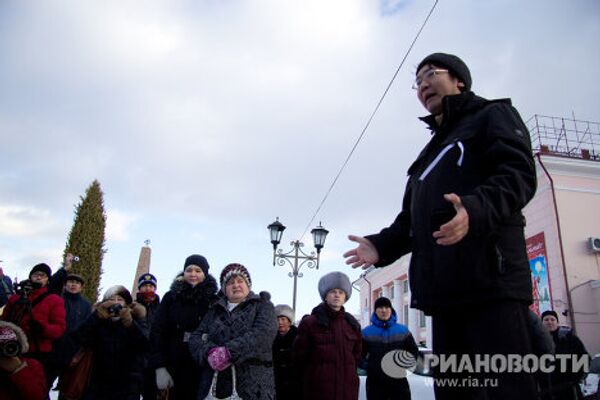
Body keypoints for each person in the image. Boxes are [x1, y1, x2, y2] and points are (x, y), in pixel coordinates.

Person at [344, 52, 538, 399]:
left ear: (459, 79)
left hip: (491, 284)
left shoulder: (491, 115)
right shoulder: (427, 155)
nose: (422, 86)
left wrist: (474, 210)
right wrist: (380, 245)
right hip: (444, 295)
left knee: (504, 391)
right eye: (417, 83)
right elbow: (410, 221)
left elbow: (518, 174)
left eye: (430, 74)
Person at [189, 263, 277, 400]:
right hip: (215, 386)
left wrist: (228, 352)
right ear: (224, 289)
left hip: (252, 387)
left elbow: (263, 334)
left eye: (240, 281)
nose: (236, 285)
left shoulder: (263, 306)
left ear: (248, 285)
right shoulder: (214, 310)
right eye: (230, 283)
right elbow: (196, 338)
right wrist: (209, 353)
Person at [149, 254, 218, 400]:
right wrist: (159, 367)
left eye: (198, 271)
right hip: (173, 362)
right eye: (189, 270)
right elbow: (157, 331)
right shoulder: (171, 297)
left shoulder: (214, 300)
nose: (193, 274)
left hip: (202, 363)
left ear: (205, 274)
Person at [293, 271, 362, 400]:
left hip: (347, 391)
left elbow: (357, 356)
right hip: (318, 391)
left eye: (341, 292)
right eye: (333, 292)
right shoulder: (310, 323)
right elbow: (299, 358)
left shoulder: (352, 324)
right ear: (325, 296)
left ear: (345, 297)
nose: (337, 295)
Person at [74, 285, 149, 400]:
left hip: (128, 382)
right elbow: (80, 337)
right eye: (111, 299)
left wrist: (130, 324)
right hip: (98, 380)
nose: (115, 303)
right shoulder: (98, 318)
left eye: (120, 300)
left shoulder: (136, 318)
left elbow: (145, 344)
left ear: (126, 303)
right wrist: (96, 316)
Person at [0, 263, 66, 392]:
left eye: (43, 275)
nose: (39, 277)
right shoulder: (16, 298)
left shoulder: (54, 300)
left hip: (37, 353)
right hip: (11, 349)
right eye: (36, 274)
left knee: (31, 389)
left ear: (48, 280)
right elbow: (4, 320)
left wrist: (43, 329)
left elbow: (60, 328)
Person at [361, 297, 418, 400]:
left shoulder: (403, 331)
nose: (384, 310)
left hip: (399, 381)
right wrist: (370, 367)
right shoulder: (366, 333)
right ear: (375, 311)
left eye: (387, 307)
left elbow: (413, 352)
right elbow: (359, 355)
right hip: (375, 383)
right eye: (380, 308)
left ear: (391, 310)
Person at [47, 272, 92, 396]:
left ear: (81, 287)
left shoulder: (86, 305)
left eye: (77, 283)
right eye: (71, 282)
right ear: (65, 284)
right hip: (53, 350)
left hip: (73, 353)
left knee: (68, 389)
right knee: (45, 385)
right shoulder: (57, 299)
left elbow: (87, 327)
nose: (73, 285)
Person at [540, 310, 589, 400]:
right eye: (546, 320)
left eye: (552, 319)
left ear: (557, 322)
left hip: (569, 391)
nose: (549, 322)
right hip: (546, 391)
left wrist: (576, 378)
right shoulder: (537, 341)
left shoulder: (569, 338)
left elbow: (584, 358)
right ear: (541, 323)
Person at [0, 320, 47, 400]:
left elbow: (37, 396)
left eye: (11, 346)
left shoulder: (32, 365)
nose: (6, 351)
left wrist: (19, 370)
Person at [136, 273, 161, 400]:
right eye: (144, 286)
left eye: (151, 286)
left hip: (154, 359)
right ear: (139, 288)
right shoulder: (132, 308)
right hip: (136, 359)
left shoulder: (161, 309)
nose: (148, 288)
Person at [272, 304, 301, 400]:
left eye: (283, 319)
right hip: (275, 382)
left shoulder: (299, 337)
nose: (280, 322)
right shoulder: (270, 337)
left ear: (289, 321)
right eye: (277, 319)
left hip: (295, 383)